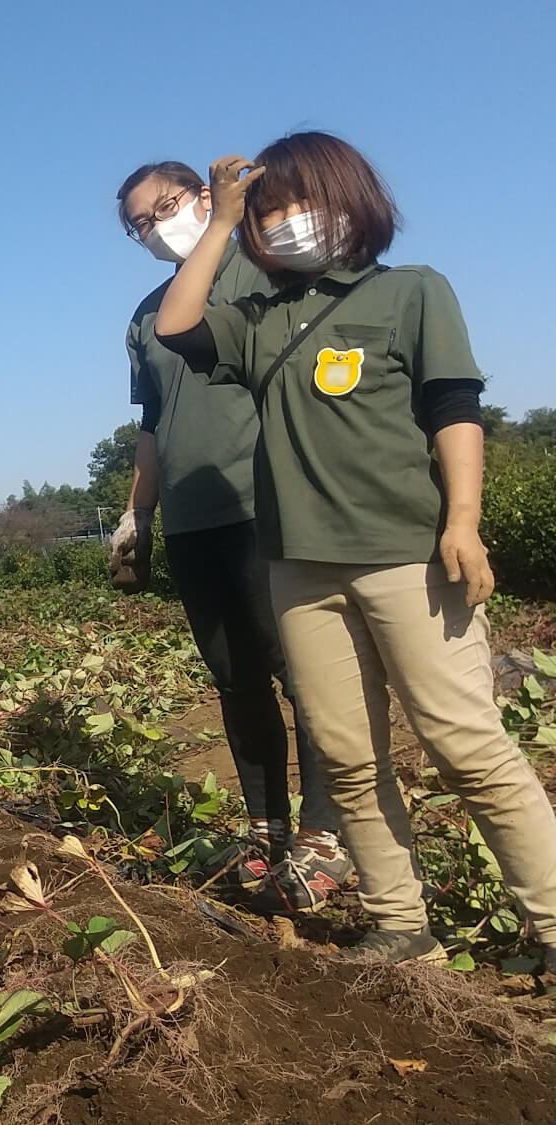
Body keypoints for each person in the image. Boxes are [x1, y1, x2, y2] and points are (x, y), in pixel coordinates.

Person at [154, 130, 556, 979]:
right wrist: (220, 222)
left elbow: (454, 406)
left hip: (408, 554)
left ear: (351, 199)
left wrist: (465, 519)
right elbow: (177, 324)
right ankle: (400, 923)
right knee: (347, 754)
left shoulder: (412, 293)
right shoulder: (258, 320)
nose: (285, 220)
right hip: (300, 568)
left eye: (300, 200)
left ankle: (552, 921)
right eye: (270, 208)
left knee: (468, 746)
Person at [110, 160, 354, 910]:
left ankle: (326, 832)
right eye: (138, 225)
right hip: (190, 518)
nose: (154, 229)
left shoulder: (267, 268)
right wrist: (137, 513)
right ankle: (266, 826)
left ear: (206, 197)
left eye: (165, 207)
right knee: (235, 679)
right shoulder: (148, 315)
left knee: (302, 670)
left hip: (266, 503)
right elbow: (152, 425)